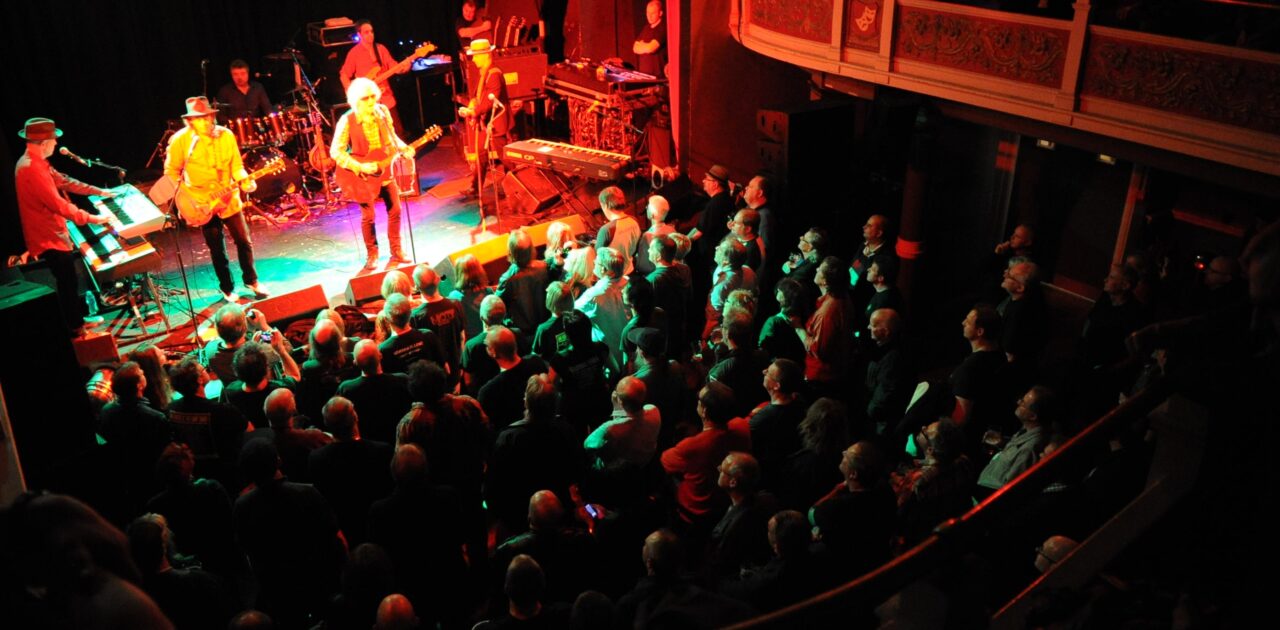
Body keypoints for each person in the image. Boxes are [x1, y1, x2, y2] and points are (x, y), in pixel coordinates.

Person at [13, 117, 114, 336]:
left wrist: (98, 191)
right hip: (47, 236)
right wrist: (94, 218)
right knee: (67, 281)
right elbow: (58, 205)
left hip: (54, 233)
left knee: (69, 280)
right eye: (54, 140)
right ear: (45, 142)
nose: (57, 144)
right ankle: (76, 330)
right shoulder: (30, 168)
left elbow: (64, 181)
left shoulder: (36, 162)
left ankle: (76, 321)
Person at [165, 96, 268, 303]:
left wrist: (246, 181)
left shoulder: (226, 135)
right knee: (217, 248)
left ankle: (252, 280)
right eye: (199, 118)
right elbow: (171, 172)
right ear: (190, 121)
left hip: (229, 198)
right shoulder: (180, 141)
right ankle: (227, 288)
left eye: (207, 117)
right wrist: (188, 197)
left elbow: (237, 167)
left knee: (244, 241)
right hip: (200, 202)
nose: (204, 122)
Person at [332, 77, 413, 269]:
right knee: (368, 216)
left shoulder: (383, 112)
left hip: (384, 169)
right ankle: (372, 254)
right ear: (355, 100)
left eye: (372, 97)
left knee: (396, 210)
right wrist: (359, 166)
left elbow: (392, 139)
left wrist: (404, 148)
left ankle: (397, 250)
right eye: (365, 98)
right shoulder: (347, 120)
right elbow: (336, 151)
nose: (370, 102)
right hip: (362, 175)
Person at [458, 39, 511, 195]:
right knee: (481, 155)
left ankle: (519, 184)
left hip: (495, 123)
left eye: (475, 56)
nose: (473, 59)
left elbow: (489, 102)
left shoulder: (494, 74)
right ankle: (475, 187)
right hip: (486, 123)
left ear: (485, 55)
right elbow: (478, 96)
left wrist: (473, 112)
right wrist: (471, 106)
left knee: (505, 157)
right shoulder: (484, 73)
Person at [340, 20, 408, 135]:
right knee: (376, 137)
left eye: (371, 31)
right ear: (359, 35)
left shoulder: (381, 49)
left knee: (397, 132)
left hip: (386, 98)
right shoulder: (354, 53)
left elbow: (393, 66)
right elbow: (344, 74)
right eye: (366, 32)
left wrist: (404, 67)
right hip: (368, 102)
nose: (370, 34)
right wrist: (351, 93)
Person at [632, 0, 667, 77]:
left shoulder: (663, 28)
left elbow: (651, 48)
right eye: (648, 13)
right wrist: (646, 46)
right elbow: (635, 48)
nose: (649, 16)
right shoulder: (646, 28)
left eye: (653, 13)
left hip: (657, 77)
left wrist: (643, 45)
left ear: (660, 13)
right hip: (644, 76)